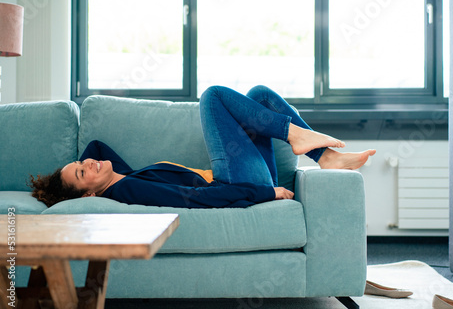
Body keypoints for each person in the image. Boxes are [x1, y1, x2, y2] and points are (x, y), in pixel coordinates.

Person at [30, 85, 376, 208]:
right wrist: (266, 195)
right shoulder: (129, 189)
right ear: (90, 196)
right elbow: (197, 200)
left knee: (259, 96)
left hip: (245, 177)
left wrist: (73, 175)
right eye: (82, 171)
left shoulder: (121, 176)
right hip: (236, 185)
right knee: (212, 96)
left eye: (84, 162)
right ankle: (296, 136)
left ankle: (325, 156)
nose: (90, 162)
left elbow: (95, 145)